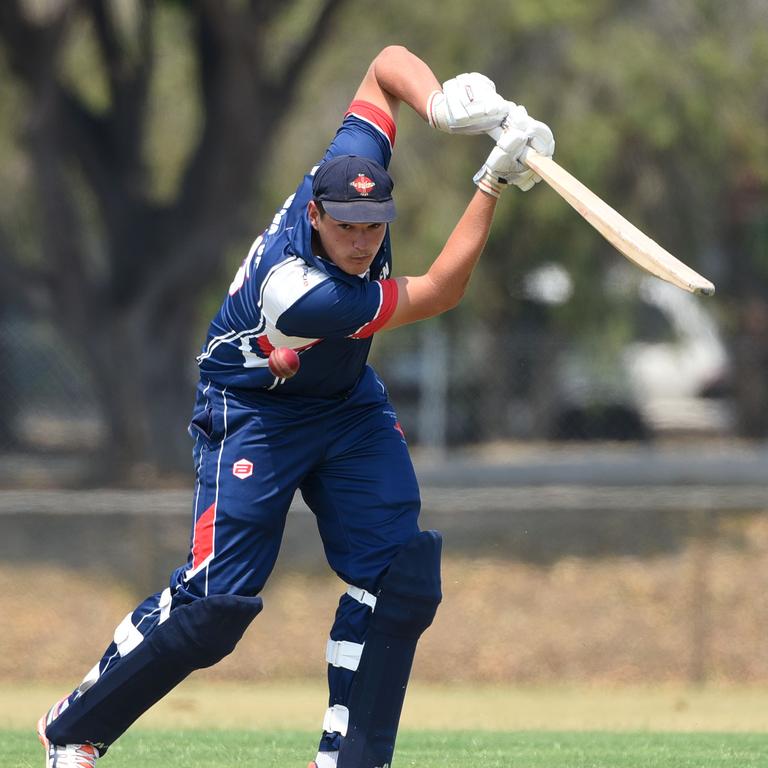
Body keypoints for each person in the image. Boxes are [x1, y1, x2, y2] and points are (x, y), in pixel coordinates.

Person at [37, 45, 554, 768]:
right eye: (345, 226)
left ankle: (349, 758)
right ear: (314, 211)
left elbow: (386, 64)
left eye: (374, 226)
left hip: (342, 403)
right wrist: (495, 178)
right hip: (251, 411)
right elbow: (439, 291)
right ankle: (75, 728)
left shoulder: (350, 159)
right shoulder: (302, 289)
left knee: (403, 573)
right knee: (216, 609)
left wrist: (438, 107)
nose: (360, 241)